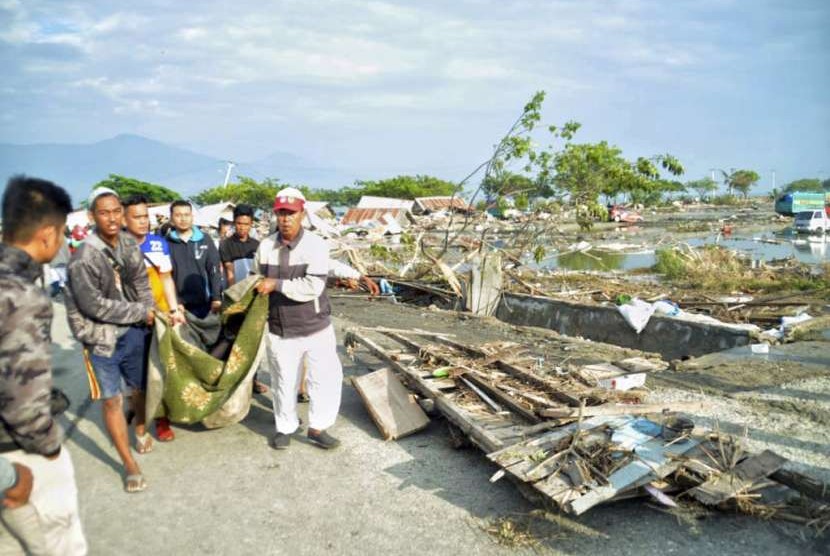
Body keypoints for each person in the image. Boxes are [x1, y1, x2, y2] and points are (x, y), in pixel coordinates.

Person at [0, 175, 87, 553]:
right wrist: (49, 450)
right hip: (19, 454)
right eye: (64, 233)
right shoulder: (21, 297)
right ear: (48, 234)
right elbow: (24, 401)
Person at [65, 187, 155, 493]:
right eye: (104, 212)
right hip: (99, 339)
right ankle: (129, 464)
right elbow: (94, 307)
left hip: (132, 333)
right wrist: (140, 311)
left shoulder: (129, 244)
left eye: (117, 211)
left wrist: (150, 309)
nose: (112, 218)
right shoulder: (84, 258)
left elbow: (142, 282)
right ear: (92, 216)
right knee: (112, 399)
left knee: (140, 389)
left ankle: (141, 429)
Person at [253, 187, 343, 450]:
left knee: (323, 378)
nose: (285, 219)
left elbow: (312, 287)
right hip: (280, 328)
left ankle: (318, 427)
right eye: (281, 213)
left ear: (302, 214)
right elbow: (256, 280)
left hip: (315, 326)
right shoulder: (265, 246)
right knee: (283, 380)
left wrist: (276, 284)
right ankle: (285, 426)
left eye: (291, 213)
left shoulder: (315, 246)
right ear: (275, 214)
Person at [122, 194, 184, 442]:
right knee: (136, 376)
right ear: (124, 220)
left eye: (145, 217)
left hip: (158, 318)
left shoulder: (159, 244)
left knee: (160, 370)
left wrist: (173, 309)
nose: (143, 222)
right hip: (130, 322)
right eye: (136, 217)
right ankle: (138, 417)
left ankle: (161, 419)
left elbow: (166, 279)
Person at [166, 200, 222, 319]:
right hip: (177, 306)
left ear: (192, 216)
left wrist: (216, 298)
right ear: (171, 218)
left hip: (204, 303)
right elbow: (165, 277)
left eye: (187, 215)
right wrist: (174, 303)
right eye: (178, 215)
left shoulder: (205, 239)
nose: (183, 219)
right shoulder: (165, 242)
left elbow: (214, 270)